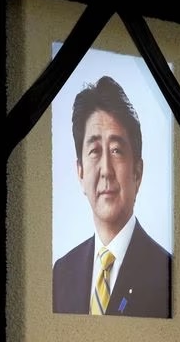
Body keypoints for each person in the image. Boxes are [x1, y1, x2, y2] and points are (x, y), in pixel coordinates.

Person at [52, 75, 172, 318]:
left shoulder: (168, 274)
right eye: (94, 151)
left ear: (137, 172)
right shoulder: (61, 273)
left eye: (116, 150)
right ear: (80, 172)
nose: (106, 170)